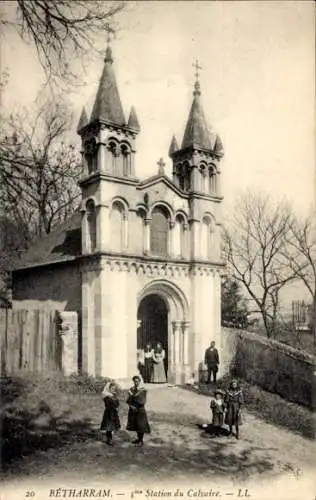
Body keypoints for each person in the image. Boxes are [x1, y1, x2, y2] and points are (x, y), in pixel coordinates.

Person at [126, 375, 151, 446]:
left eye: (137, 381)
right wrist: (131, 406)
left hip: (140, 410)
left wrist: (132, 396)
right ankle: (138, 439)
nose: (136, 383)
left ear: (140, 382)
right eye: (134, 381)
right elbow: (128, 401)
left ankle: (141, 441)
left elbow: (141, 401)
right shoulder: (132, 389)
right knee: (135, 425)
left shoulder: (143, 390)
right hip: (133, 410)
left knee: (141, 425)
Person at [100, 381, 121, 446]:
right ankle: (109, 439)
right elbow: (109, 404)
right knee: (108, 426)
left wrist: (115, 397)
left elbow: (117, 404)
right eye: (112, 389)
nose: (113, 390)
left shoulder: (113, 396)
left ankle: (110, 439)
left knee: (112, 426)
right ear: (109, 389)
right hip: (109, 412)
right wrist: (114, 400)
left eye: (114, 389)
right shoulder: (106, 396)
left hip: (113, 412)